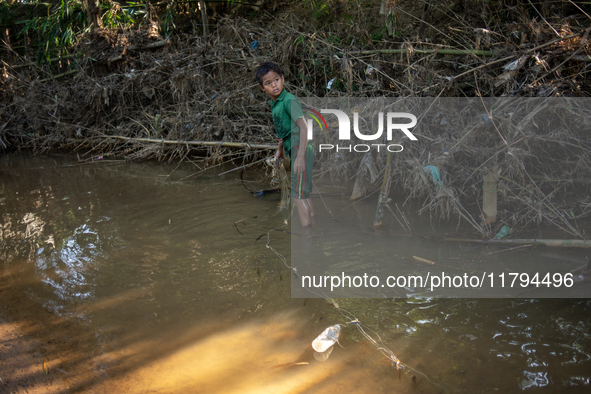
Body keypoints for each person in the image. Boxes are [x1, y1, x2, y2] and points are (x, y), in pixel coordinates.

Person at [256, 62, 315, 227]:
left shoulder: (289, 100)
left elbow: (303, 126)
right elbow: (284, 133)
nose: (274, 85)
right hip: (294, 148)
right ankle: (312, 222)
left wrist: (300, 156)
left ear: (283, 79)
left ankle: (307, 234)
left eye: (276, 79)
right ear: (262, 88)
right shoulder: (275, 104)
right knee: (304, 193)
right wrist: (280, 150)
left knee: (297, 196)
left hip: (300, 148)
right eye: (268, 83)